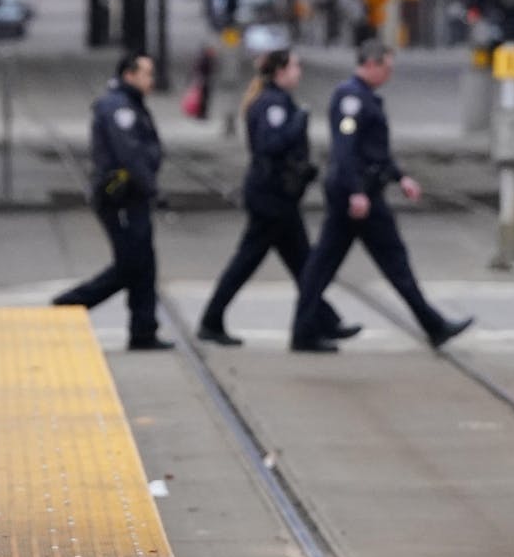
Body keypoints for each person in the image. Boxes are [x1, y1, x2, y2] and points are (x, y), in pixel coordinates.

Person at [290, 39, 474, 352]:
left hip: (361, 192)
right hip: (357, 196)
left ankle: (304, 330)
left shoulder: (365, 98)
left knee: (328, 264)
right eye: (387, 67)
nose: (389, 74)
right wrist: (357, 193)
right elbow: (346, 152)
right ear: (371, 64)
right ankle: (433, 324)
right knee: (386, 263)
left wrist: (400, 177)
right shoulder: (351, 99)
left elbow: (375, 151)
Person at [197, 49, 361, 346]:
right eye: (295, 67)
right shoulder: (272, 105)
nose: (299, 72)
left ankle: (323, 320)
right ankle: (213, 320)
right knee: (263, 263)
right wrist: (298, 122)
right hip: (271, 200)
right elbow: (269, 145)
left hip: (277, 198)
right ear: (280, 72)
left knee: (303, 264)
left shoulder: (278, 101)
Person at [53, 53, 174, 351]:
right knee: (132, 262)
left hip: (132, 195)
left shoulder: (129, 103)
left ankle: (143, 329)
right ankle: (72, 303)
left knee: (143, 261)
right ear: (129, 75)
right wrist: (152, 188)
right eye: (147, 73)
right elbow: (130, 153)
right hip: (120, 196)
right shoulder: (119, 108)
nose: (151, 80)